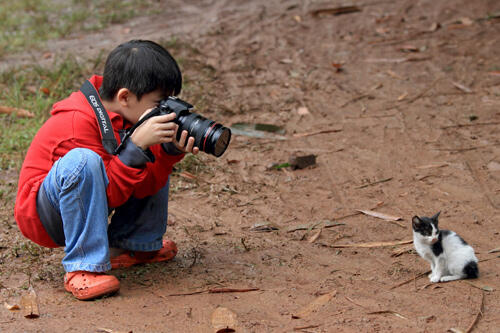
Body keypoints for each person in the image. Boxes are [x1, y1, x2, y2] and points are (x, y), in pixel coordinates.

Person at [14, 40, 199, 300]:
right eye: (158, 104)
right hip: (47, 216)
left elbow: (141, 183)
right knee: (86, 160)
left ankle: (132, 245)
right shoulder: (77, 123)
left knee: (148, 155)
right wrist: (135, 148)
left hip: (90, 199)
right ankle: (82, 267)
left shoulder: (127, 115)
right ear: (125, 97)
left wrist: (167, 153)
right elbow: (107, 195)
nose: (164, 112)